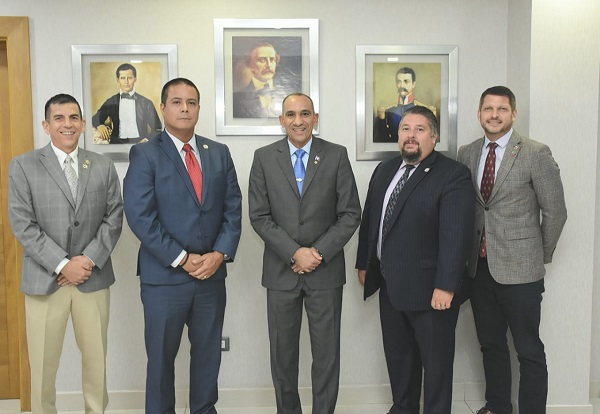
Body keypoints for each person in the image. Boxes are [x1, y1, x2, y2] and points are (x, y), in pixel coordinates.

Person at [123, 78, 242, 414]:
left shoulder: (218, 153)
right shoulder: (146, 153)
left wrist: (219, 254)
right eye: (177, 102)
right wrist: (181, 258)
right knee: (161, 361)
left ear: (199, 108)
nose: (185, 109)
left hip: (211, 276)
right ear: (163, 108)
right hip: (164, 279)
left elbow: (233, 208)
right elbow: (140, 216)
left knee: (208, 356)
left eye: (191, 102)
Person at [8, 93, 123, 414]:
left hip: (92, 277)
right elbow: (23, 224)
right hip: (45, 282)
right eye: (58, 118)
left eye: (73, 118)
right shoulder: (23, 166)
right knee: (43, 367)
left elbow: (114, 217)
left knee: (96, 363)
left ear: (84, 124)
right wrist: (62, 264)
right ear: (46, 126)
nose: (67, 124)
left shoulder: (102, 165)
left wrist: (86, 260)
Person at [356, 105, 475, 414]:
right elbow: (371, 220)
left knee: (435, 368)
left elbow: (456, 235)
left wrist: (446, 286)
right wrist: (364, 263)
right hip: (390, 287)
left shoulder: (453, 174)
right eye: (405, 129)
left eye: (420, 130)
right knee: (400, 362)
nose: (411, 135)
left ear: (434, 137)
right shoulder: (385, 170)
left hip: (431, 292)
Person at [457, 86, 567, 414]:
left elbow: (555, 211)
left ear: (514, 114)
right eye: (488, 109)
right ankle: (498, 406)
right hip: (479, 269)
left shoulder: (535, 152)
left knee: (528, 350)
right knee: (491, 345)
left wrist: (537, 254)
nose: (494, 115)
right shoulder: (467, 152)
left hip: (522, 272)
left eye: (502, 109)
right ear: (479, 114)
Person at [248, 93, 361, 414]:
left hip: (325, 274)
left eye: (305, 114)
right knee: (282, 357)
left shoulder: (336, 155)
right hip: (280, 274)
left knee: (327, 356)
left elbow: (350, 213)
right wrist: (294, 252)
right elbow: (259, 216)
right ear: (281, 120)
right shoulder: (264, 157)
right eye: (291, 114)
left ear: (315, 118)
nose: (298, 121)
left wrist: (318, 252)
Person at [92, 63, 162, 144]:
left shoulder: (146, 103)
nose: (126, 82)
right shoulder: (111, 101)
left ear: (135, 79)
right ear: (118, 80)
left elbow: (158, 128)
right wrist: (100, 126)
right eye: (123, 78)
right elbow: (95, 119)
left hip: (140, 143)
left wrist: (146, 141)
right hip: (116, 143)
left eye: (130, 78)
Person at [233, 42, 299, 118]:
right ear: (251, 65)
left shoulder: (292, 92)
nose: (269, 65)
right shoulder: (237, 99)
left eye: (272, 59)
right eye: (262, 60)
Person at [373, 67, 437, 143]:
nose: (402, 86)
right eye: (399, 82)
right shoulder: (387, 111)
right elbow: (380, 139)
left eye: (406, 81)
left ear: (413, 84)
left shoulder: (425, 111)